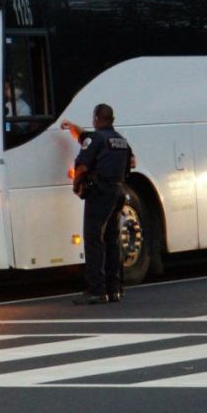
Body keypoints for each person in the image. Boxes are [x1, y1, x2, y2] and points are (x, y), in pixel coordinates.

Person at [61, 103, 135, 305]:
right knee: (112, 239)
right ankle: (115, 289)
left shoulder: (95, 139)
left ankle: (96, 290)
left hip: (100, 193)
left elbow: (83, 165)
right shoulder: (121, 140)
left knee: (94, 240)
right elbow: (132, 163)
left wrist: (77, 185)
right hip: (118, 191)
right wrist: (73, 127)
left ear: (95, 118)